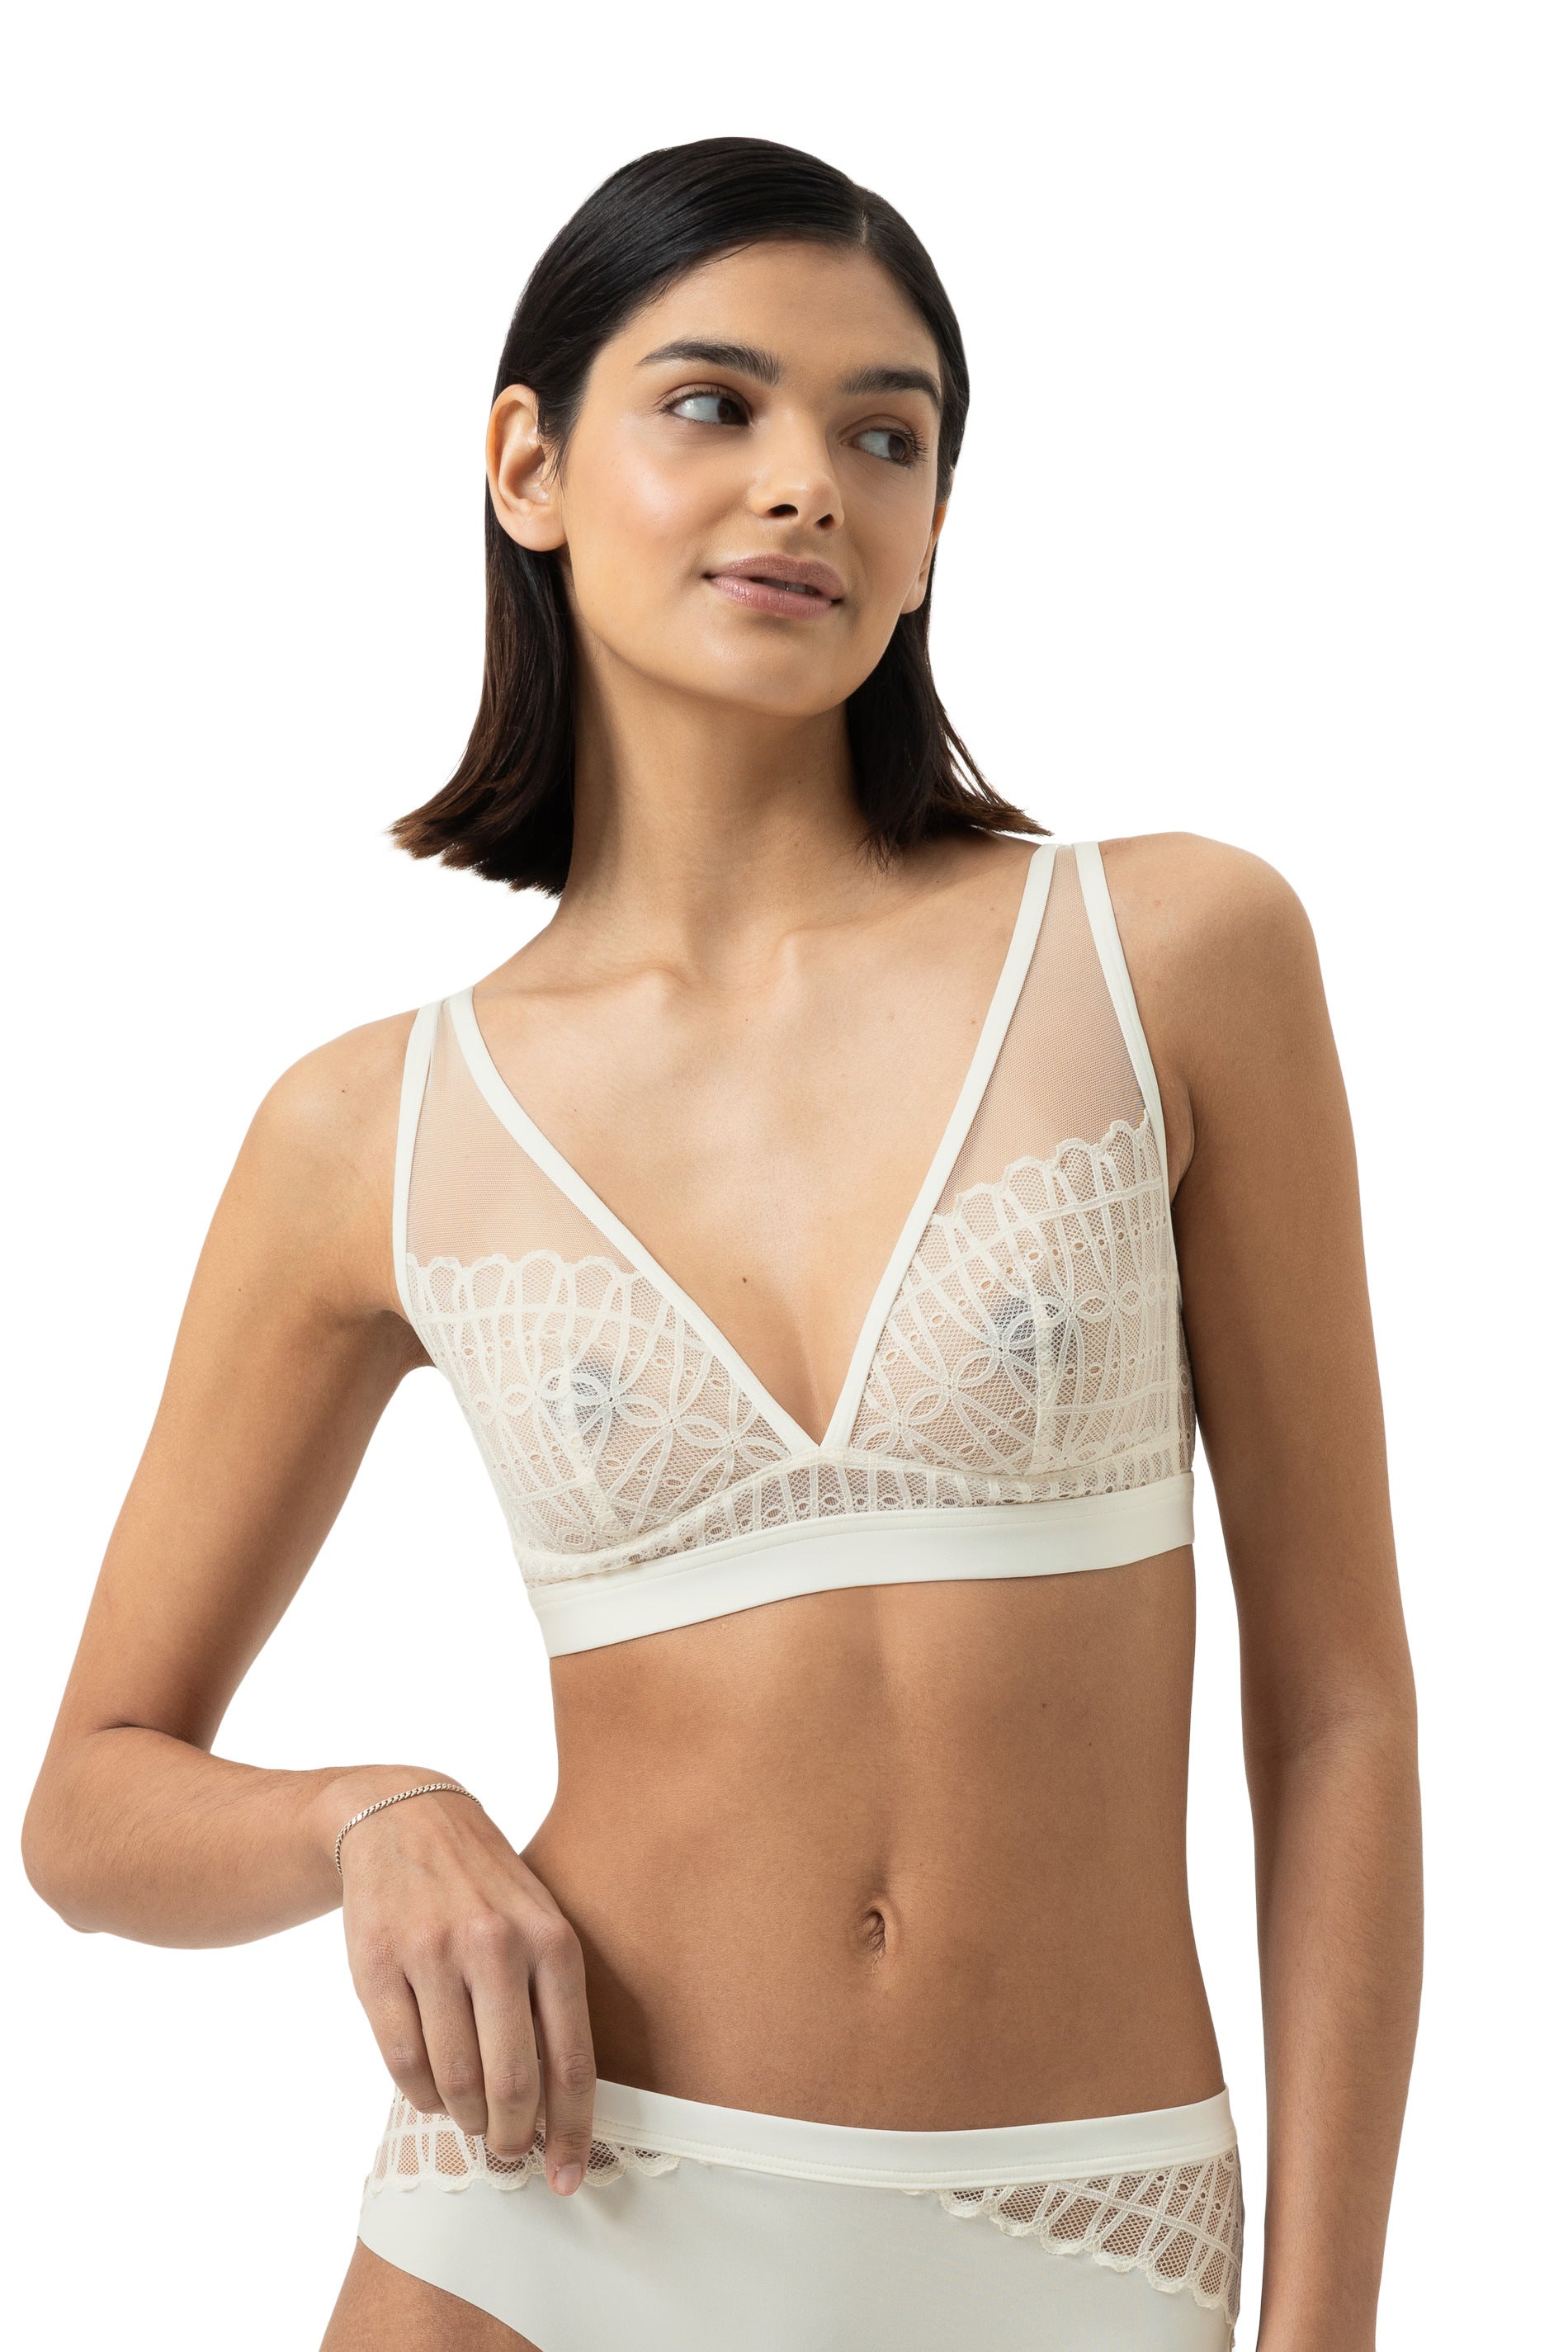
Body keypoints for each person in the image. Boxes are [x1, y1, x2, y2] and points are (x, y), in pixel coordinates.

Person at [21, 137, 1422, 2352]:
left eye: (885, 436)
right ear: (529, 464)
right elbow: (89, 1801)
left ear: (934, 524)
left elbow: (1336, 1705)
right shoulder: (370, 1127)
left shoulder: (1167, 954)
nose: (806, 485)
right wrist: (374, 1815)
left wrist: (1325, 2328)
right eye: (714, 403)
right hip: (545, 2226)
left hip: (1079, 2234)